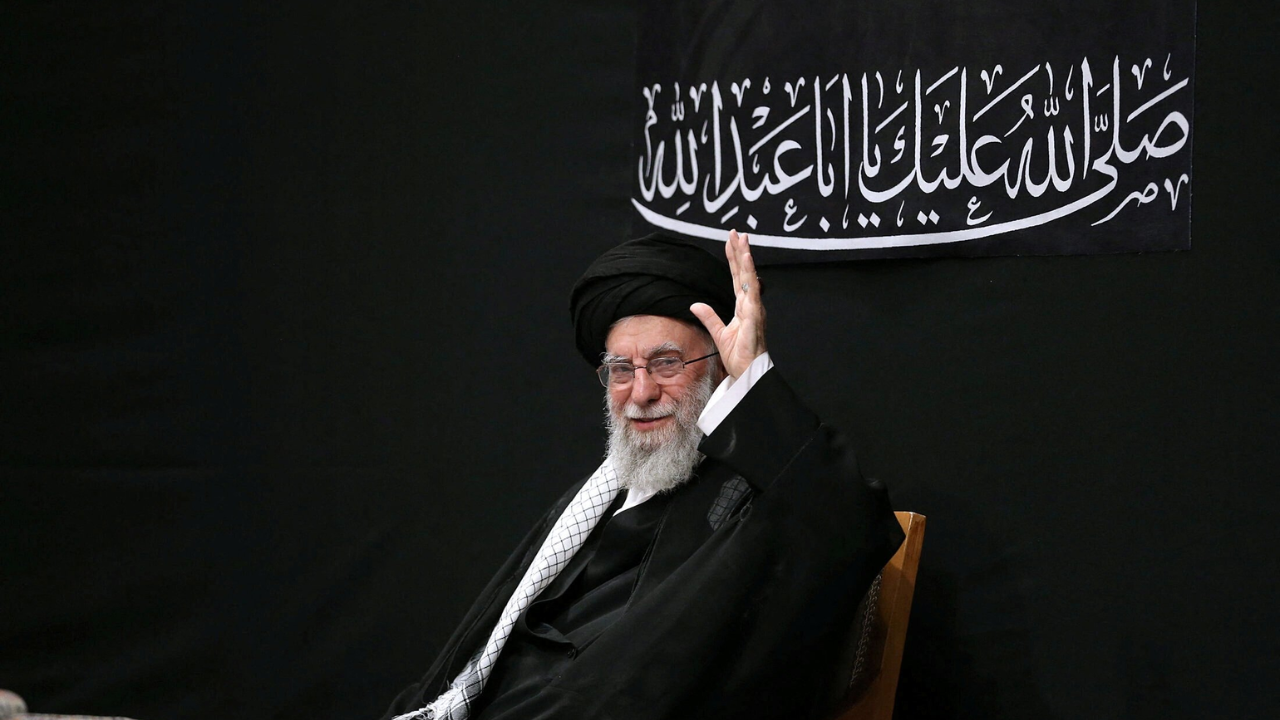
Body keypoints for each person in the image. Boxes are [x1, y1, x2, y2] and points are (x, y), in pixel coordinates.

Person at [381, 230, 904, 720]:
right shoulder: (594, 500)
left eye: (667, 363)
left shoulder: (755, 500)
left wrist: (752, 381)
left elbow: (851, 525)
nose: (642, 392)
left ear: (718, 367)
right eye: (621, 370)